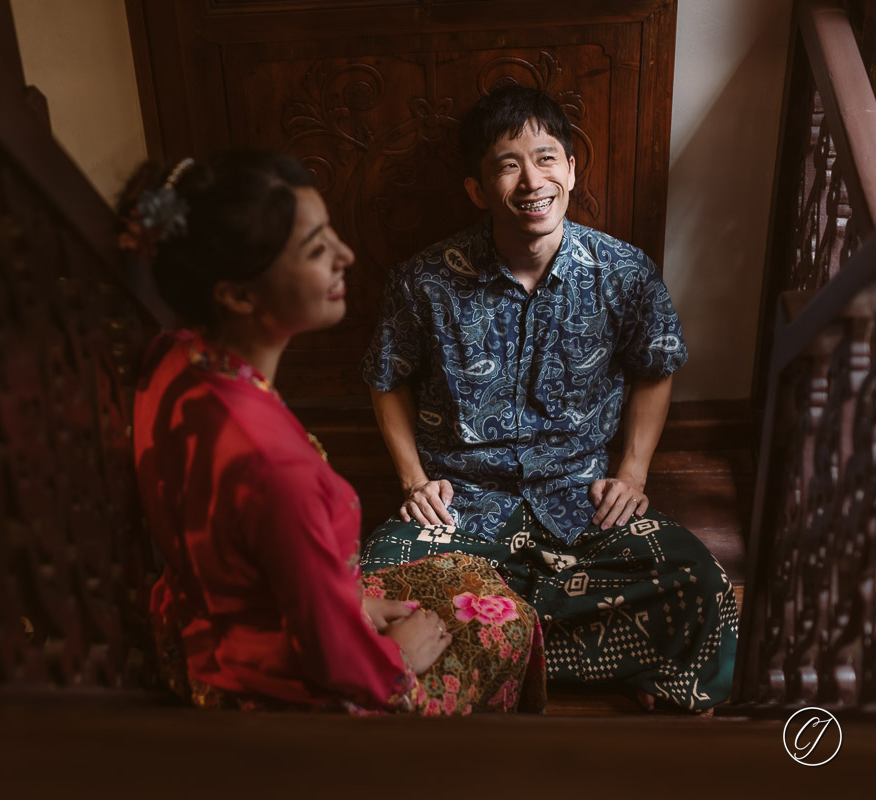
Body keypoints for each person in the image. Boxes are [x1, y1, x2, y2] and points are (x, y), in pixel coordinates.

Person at [124, 150, 545, 714]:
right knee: (506, 621)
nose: (346, 256)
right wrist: (397, 658)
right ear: (240, 294)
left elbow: (249, 552)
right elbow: (337, 666)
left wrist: (351, 602)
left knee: (465, 570)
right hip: (278, 691)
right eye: (317, 249)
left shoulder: (174, 359)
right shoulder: (276, 468)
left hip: (204, 628)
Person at [360, 86, 738, 713]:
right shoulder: (423, 280)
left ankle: (496, 639)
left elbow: (655, 367)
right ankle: (555, 644)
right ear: (478, 190)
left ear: (570, 168)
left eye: (546, 158)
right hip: (461, 504)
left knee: (700, 583)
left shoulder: (624, 272)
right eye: (508, 165)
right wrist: (412, 480)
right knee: (371, 583)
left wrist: (633, 471)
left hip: (580, 497)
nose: (532, 180)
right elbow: (385, 377)